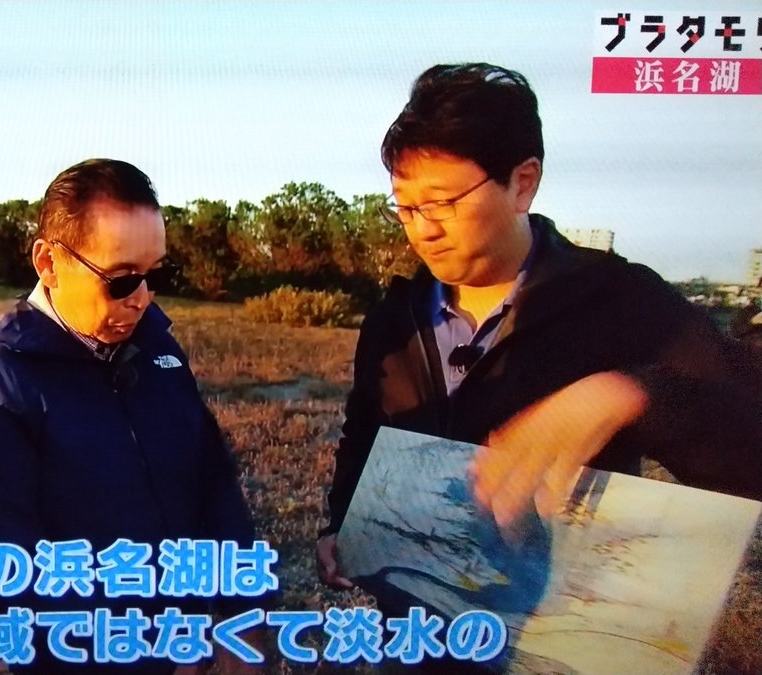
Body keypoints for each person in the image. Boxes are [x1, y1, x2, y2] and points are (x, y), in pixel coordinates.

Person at [316, 61, 762, 620]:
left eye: (444, 203)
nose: (422, 228)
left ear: (522, 182)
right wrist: (344, 523)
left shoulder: (619, 300)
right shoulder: (394, 318)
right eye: (405, 206)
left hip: (560, 629)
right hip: (418, 627)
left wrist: (635, 394)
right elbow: (365, 433)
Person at [0, 158, 265, 674]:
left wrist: (244, 615)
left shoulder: (160, 353)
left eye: (158, 275)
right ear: (48, 262)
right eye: (120, 280)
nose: (142, 299)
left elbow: (213, 484)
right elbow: (5, 566)